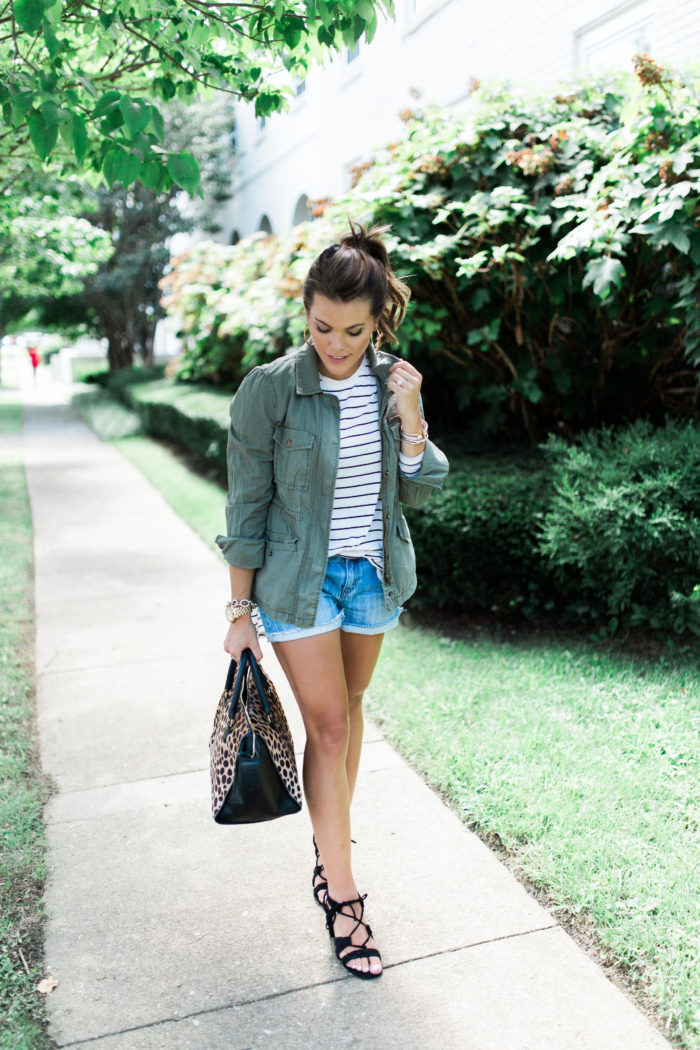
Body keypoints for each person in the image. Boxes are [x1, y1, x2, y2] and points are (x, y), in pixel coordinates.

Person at [216, 221, 448, 980]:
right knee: (330, 725)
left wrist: (412, 417)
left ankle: (329, 850)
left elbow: (420, 482)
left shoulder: (392, 383)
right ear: (305, 310)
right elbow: (247, 506)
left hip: (372, 577)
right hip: (297, 582)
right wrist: (237, 613)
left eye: (353, 330)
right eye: (321, 327)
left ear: (378, 319)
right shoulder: (272, 388)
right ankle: (343, 895)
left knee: (346, 720)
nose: (336, 344)